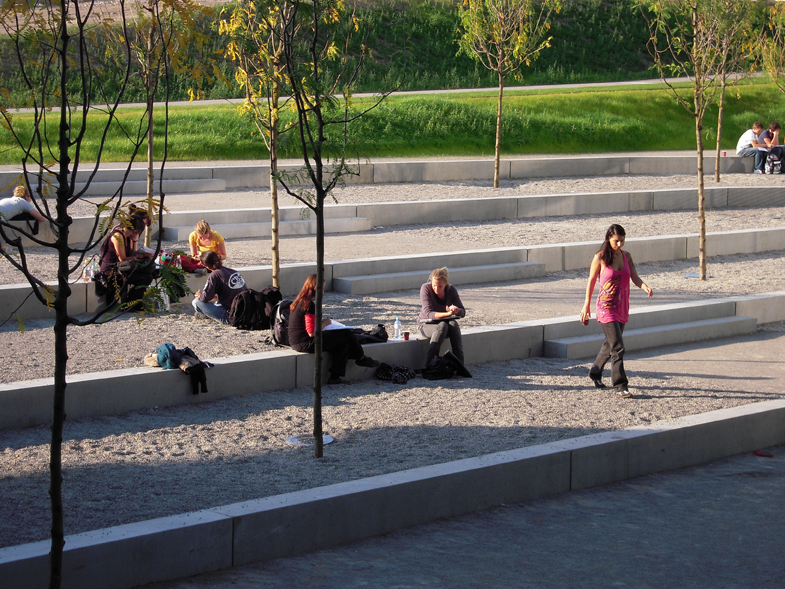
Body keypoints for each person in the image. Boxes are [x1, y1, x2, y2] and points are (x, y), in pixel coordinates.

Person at [580, 224, 653, 399]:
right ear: (608, 239)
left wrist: (644, 286)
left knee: (610, 344)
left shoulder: (626, 256)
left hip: (622, 306)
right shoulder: (600, 257)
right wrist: (586, 305)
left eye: (622, 241)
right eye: (616, 241)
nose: (619, 244)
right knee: (618, 347)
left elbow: (634, 276)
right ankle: (620, 385)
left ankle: (595, 372)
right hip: (606, 307)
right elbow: (591, 281)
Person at [288, 274, 379, 385]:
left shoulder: (298, 302)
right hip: (305, 343)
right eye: (322, 289)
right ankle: (361, 357)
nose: (323, 292)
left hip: (296, 342)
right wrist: (325, 323)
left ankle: (335, 377)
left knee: (342, 344)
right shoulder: (308, 305)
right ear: (316, 289)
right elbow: (311, 332)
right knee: (346, 333)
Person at [97, 216, 155, 305]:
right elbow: (122, 259)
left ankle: (135, 301)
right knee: (146, 278)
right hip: (112, 269)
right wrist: (141, 256)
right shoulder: (118, 236)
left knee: (149, 273)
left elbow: (132, 254)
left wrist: (134, 242)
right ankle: (131, 303)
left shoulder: (127, 237)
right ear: (136, 230)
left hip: (122, 267)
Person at [418, 267, 465, 368]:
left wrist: (456, 310)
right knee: (442, 325)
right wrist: (447, 314)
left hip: (445, 326)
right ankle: (430, 364)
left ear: (445, 284)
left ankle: (460, 364)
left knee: (453, 324)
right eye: (434, 285)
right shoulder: (425, 288)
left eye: (440, 286)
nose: (436, 289)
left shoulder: (451, 289)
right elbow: (429, 313)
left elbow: (462, 311)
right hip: (426, 325)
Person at [191, 251, 247, 324]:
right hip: (245, 312)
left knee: (196, 302)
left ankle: (205, 315)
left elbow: (205, 298)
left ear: (207, 266)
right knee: (217, 301)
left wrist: (199, 295)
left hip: (231, 316)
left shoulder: (215, 275)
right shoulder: (233, 271)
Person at [0, 186, 47, 252]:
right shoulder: (23, 202)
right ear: (26, 196)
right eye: (29, 196)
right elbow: (42, 219)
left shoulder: (6, 200)